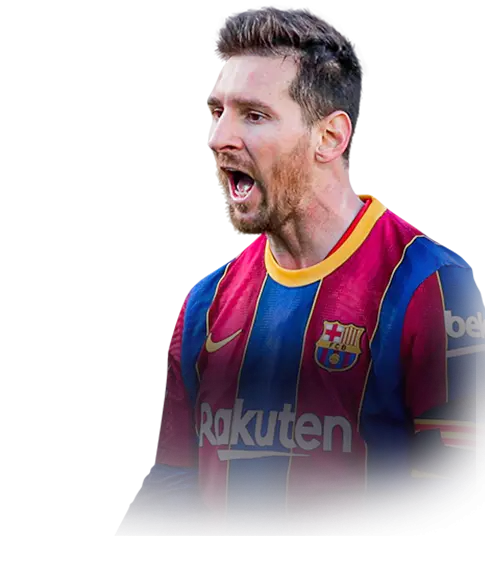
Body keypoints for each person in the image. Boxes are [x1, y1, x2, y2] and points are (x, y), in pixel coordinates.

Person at [115, 7, 485, 536]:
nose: (219, 137)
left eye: (253, 115)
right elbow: (175, 484)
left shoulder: (431, 287)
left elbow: (457, 499)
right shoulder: (206, 302)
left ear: (329, 137)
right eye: (216, 111)